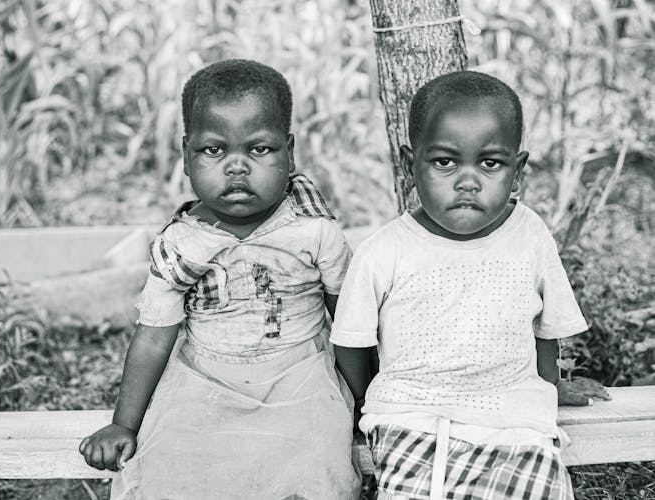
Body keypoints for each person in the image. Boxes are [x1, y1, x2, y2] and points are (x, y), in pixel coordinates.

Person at [79, 59, 360, 499]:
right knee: (168, 463)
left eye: (259, 149)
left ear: (289, 150)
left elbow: (348, 323)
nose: (236, 167)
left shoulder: (313, 230)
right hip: (203, 377)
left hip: (300, 376)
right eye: (214, 150)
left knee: (315, 462)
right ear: (186, 153)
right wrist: (123, 424)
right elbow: (154, 338)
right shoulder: (181, 243)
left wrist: (367, 403)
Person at [330, 71, 609, 500]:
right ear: (409, 165)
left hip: (517, 422)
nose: (468, 180)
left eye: (490, 163)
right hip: (412, 422)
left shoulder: (529, 233)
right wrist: (372, 399)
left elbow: (545, 328)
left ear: (517, 172)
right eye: (445, 161)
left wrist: (552, 385)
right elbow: (351, 342)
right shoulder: (383, 251)